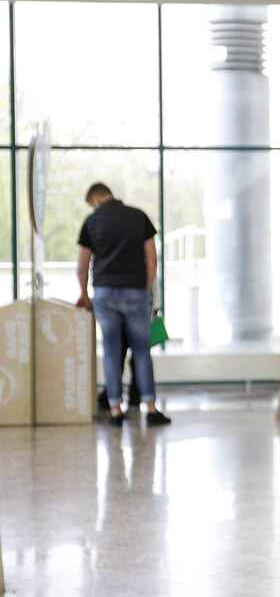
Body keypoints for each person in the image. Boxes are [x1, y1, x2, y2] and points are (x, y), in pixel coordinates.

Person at [76, 183, 171, 427]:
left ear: (96, 200)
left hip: (105, 293)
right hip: (135, 290)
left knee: (111, 351)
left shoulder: (92, 222)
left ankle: (115, 411)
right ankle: (150, 409)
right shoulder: (139, 216)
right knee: (141, 351)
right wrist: (147, 290)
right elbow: (152, 258)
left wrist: (84, 293)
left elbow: (83, 264)